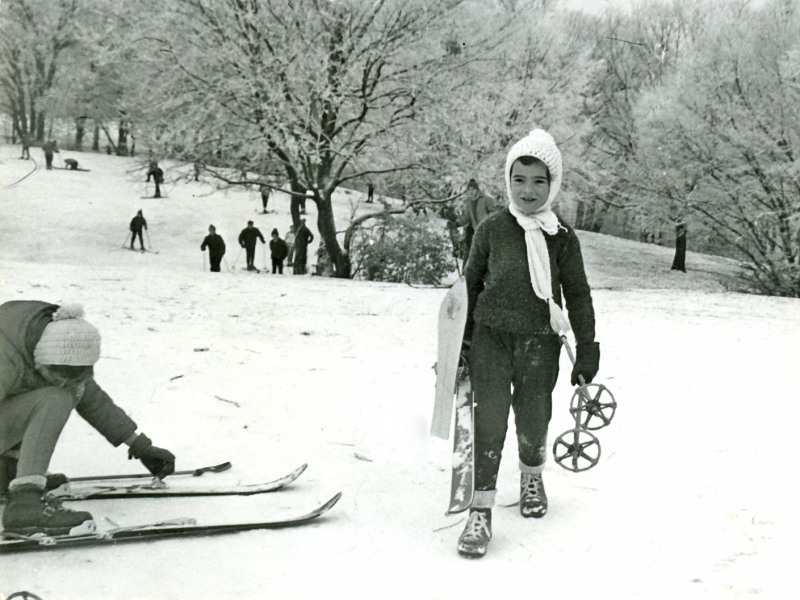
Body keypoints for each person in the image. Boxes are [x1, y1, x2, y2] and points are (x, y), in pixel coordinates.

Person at [457, 129, 600, 558]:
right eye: (520, 179)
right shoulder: (491, 229)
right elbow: (469, 285)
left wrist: (588, 345)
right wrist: (459, 347)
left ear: (553, 184)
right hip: (491, 339)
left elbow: (577, 293)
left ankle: (531, 477)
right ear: (508, 180)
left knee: (534, 417)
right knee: (490, 420)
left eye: (539, 181)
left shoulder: (562, 237)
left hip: (542, 341)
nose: (528, 190)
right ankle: (480, 509)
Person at [0, 301, 176, 535]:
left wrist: (140, 445)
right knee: (54, 399)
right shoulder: (6, 358)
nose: (63, 383)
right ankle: (24, 505)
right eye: (57, 376)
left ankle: (9, 475)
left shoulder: (55, 343)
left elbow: (91, 398)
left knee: (62, 393)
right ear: (39, 359)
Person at [458, 178, 494, 259]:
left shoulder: (487, 199)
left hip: (487, 231)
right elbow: (467, 216)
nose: (471, 192)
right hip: (476, 231)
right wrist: (457, 223)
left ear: (477, 189)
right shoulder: (469, 201)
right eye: (469, 190)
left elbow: (494, 214)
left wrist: (486, 220)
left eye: (473, 189)